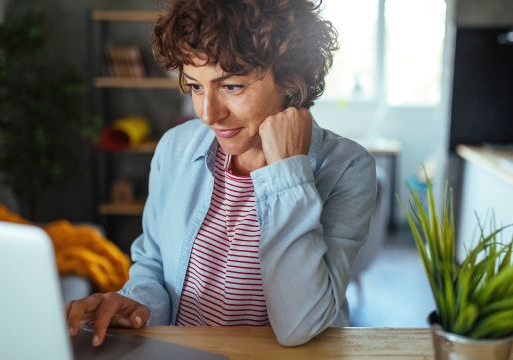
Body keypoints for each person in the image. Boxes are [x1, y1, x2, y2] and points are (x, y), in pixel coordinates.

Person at [66, 0, 376, 347]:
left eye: (232, 87)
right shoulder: (175, 148)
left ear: (291, 77)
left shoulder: (347, 168)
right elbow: (152, 265)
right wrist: (138, 306)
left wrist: (288, 174)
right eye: (196, 86)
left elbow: (300, 325)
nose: (208, 114)